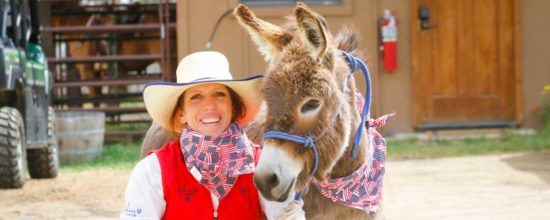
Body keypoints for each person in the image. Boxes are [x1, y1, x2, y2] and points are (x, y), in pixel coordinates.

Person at [120, 51, 264, 219]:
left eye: (219, 94)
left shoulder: (261, 164)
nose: (209, 105)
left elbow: (286, 214)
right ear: (182, 113)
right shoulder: (153, 170)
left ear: (233, 108)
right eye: (196, 97)